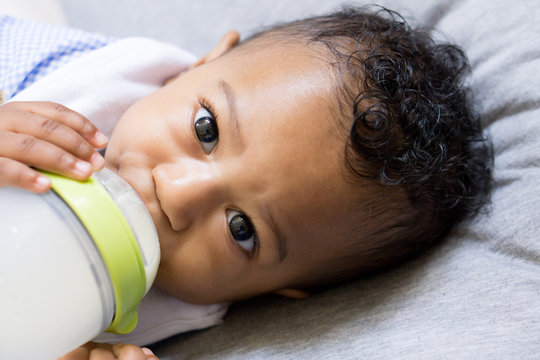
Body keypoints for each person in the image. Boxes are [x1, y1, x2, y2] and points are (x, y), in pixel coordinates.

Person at [0, 5, 491, 359]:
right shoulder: (80, 78)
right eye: (206, 130)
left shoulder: (175, 321)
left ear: (278, 291)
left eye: (242, 230)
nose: (177, 193)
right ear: (200, 65)